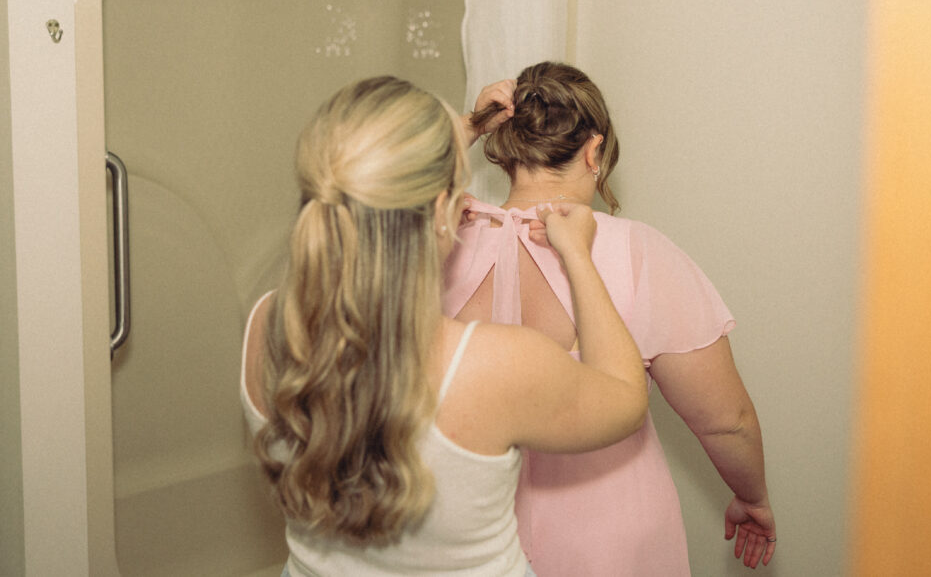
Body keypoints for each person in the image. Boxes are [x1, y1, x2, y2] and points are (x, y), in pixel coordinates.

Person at [239, 75, 650, 577]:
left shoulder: (268, 327)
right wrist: (577, 256)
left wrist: (458, 133)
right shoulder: (491, 364)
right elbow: (626, 397)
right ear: (442, 213)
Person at [444, 62, 777, 575]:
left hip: (464, 540)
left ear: (505, 144)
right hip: (611, 547)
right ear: (594, 151)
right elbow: (725, 422)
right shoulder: (638, 251)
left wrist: (461, 130)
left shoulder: (438, 239)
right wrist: (751, 496)